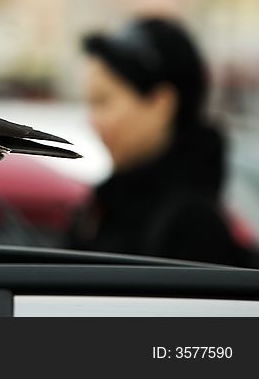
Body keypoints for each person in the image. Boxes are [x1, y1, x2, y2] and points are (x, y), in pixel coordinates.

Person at [67, 16, 255, 267]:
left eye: (103, 101)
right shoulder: (105, 207)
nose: (92, 120)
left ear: (161, 104)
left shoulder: (192, 226)